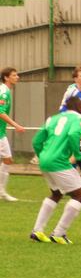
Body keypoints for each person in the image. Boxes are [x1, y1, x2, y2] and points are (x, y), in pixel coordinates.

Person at [29, 95, 81, 244]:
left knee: (56, 193)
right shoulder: (80, 118)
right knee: (80, 196)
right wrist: (78, 157)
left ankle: (37, 231)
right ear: (79, 107)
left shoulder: (52, 118)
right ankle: (59, 233)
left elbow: (36, 141)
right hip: (59, 162)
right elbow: (73, 134)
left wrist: (41, 155)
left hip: (45, 161)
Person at [0, 67, 25, 202]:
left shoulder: (6, 91)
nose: (17, 77)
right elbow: (0, 111)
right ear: (6, 78)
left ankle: (1, 191)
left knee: (8, 160)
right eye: (14, 75)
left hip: (1, 132)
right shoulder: (4, 91)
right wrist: (16, 125)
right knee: (7, 160)